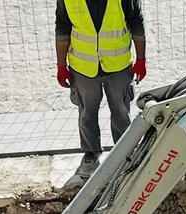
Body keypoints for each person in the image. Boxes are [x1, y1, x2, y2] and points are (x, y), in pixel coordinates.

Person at [55, 0, 147, 178]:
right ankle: (91, 154)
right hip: (83, 67)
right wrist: (61, 65)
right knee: (87, 113)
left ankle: (124, 153)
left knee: (121, 111)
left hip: (118, 65)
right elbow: (62, 27)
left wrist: (141, 59)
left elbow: (136, 21)